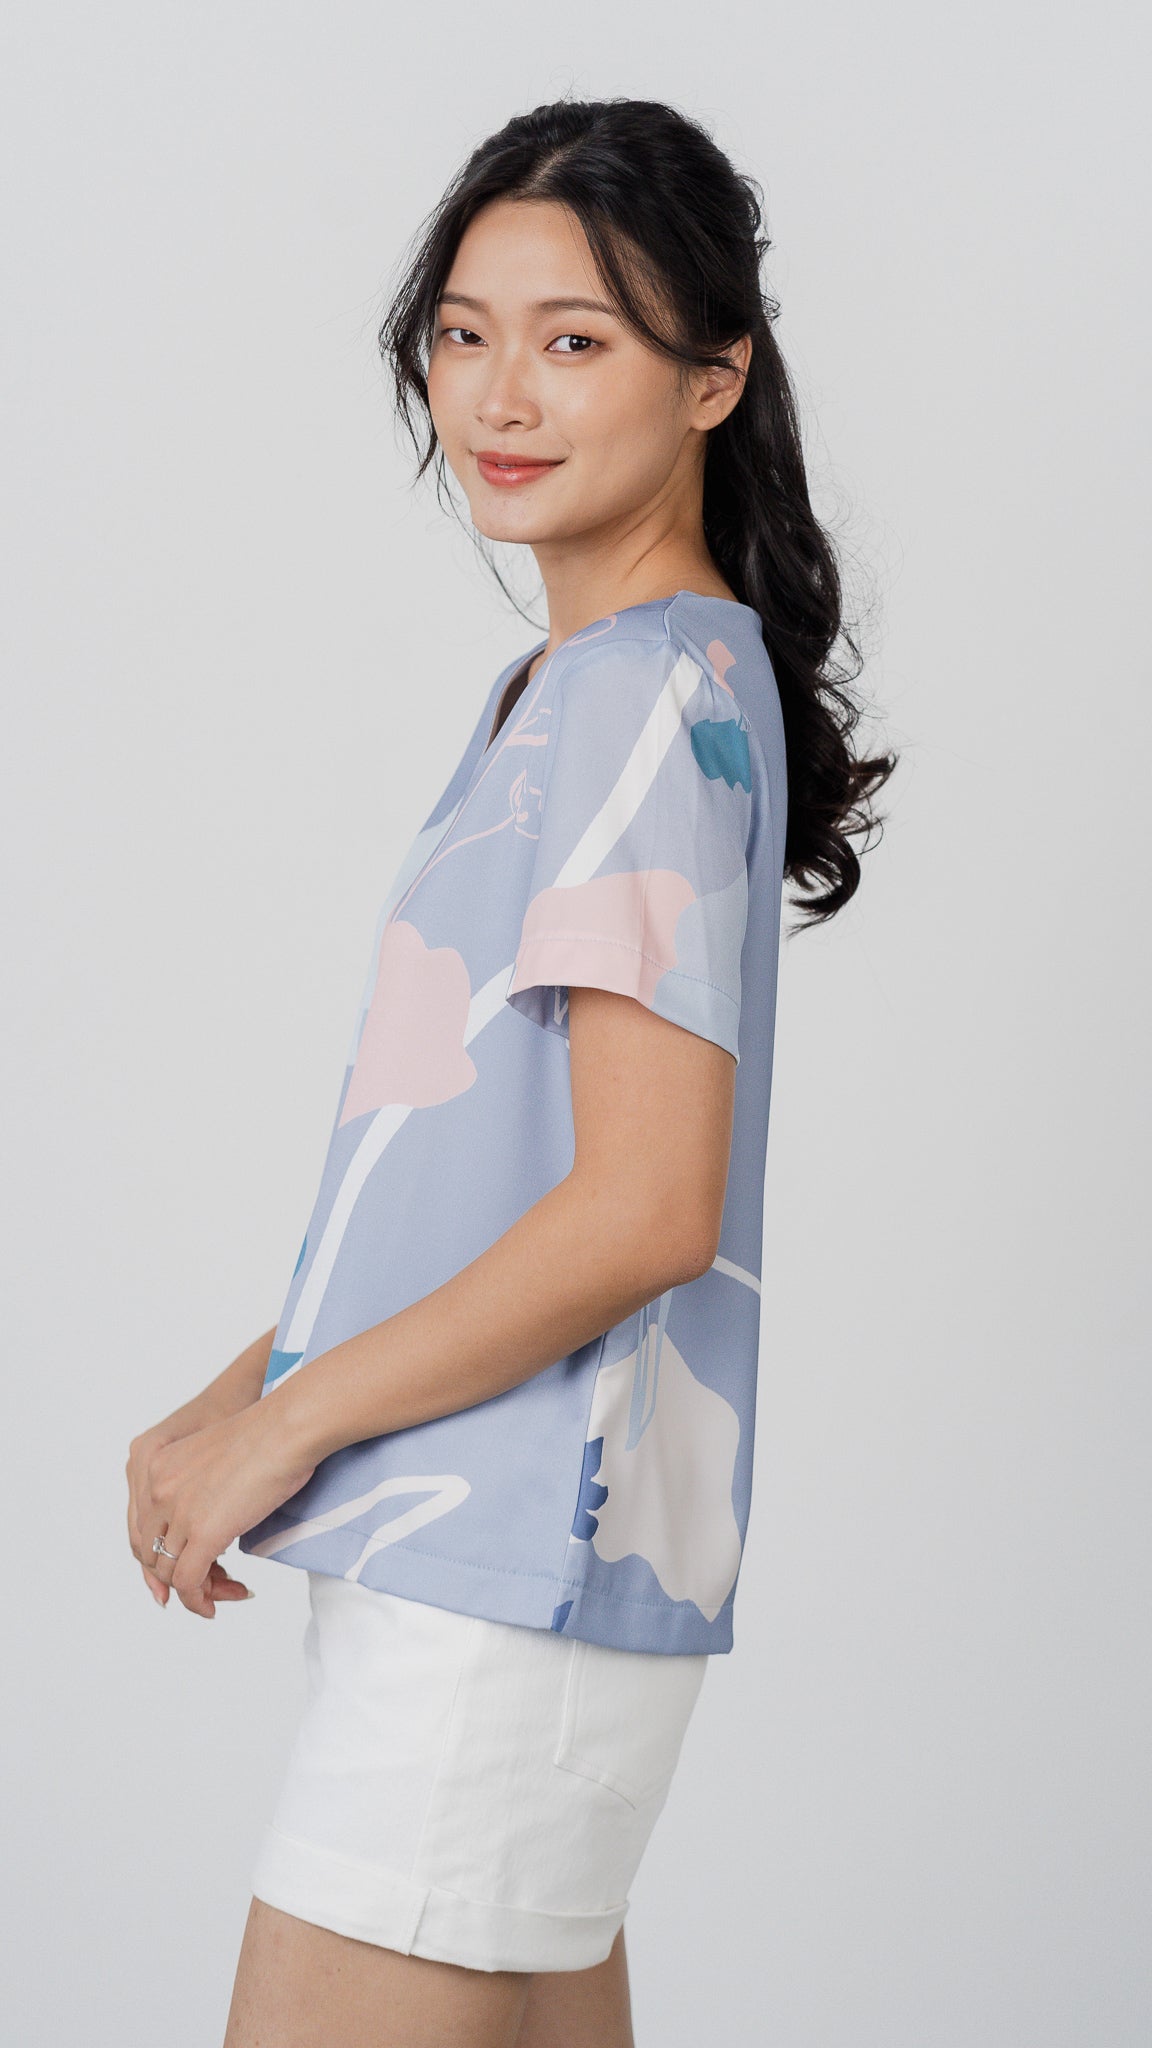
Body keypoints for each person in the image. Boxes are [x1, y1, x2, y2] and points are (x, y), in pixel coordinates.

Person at [125, 95, 896, 2048]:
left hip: (500, 1583)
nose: (501, 391)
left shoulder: (639, 694)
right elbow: (480, 1171)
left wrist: (282, 1432)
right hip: (508, 1576)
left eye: (576, 338)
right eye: (466, 333)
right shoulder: (616, 686)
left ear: (715, 376)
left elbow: (642, 1209)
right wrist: (239, 1393)